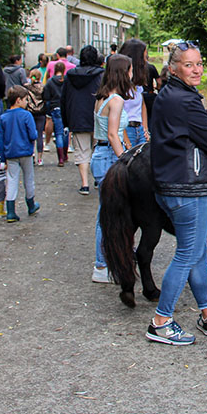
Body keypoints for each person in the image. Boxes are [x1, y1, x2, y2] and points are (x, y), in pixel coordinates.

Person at [147, 41, 207, 345]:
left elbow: (194, 132)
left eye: (199, 64)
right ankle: (161, 320)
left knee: (197, 251)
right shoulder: (185, 100)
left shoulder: (169, 94)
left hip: (172, 182)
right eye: (189, 65)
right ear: (173, 67)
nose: (197, 70)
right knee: (188, 253)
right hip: (187, 186)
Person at [90, 54, 132, 283]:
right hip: (107, 156)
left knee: (107, 212)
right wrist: (126, 160)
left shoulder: (103, 97)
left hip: (101, 154)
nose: (132, 74)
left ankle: (107, 260)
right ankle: (101, 264)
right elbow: (112, 134)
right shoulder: (116, 100)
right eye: (130, 70)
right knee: (106, 214)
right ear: (122, 72)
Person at [62, 45, 102, 195]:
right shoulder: (101, 75)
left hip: (77, 118)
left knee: (82, 151)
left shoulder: (70, 75)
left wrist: (66, 121)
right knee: (98, 149)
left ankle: (85, 184)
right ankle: (98, 179)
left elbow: (64, 99)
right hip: (97, 118)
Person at [0, 86, 40, 222]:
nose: (27, 102)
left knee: (11, 180)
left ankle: (11, 212)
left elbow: (1, 140)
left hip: (10, 154)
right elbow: (33, 134)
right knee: (28, 179)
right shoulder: (26, 115)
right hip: (26, 153)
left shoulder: (3, 118)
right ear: (18, 100)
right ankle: (31, 205)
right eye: (26, 99)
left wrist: (2, 157)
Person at [119, 38, 151, 148]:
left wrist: (145, 128)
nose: (146, 60)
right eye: (144, 57)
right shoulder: (119, 85)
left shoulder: (137, 84)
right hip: (126, 130)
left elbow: (142, 105)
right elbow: (116, 113)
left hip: (139, 130)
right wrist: (126, 140)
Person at [42, 61, 68, 166]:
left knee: (58, 133)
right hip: (65, 107)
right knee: (66, 131)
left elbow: (46, 97)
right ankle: (65, 154)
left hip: (55, 107)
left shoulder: (50, 82)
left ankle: (60, 158)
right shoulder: (67, 81)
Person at [23, 69, 47, 165]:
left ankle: (31, 154)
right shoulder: (43, 87)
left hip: (30, 112)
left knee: (30, 134)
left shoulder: (27, 87)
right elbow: (46, 98)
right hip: (40, 113)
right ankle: (40, 158)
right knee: (40, 135)